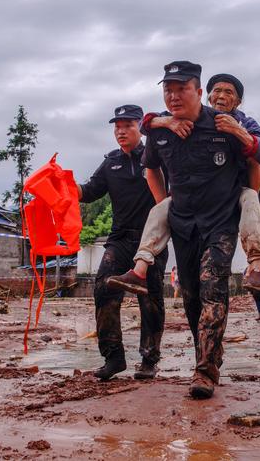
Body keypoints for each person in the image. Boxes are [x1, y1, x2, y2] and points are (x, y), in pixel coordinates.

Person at [139, 60, 254, 399]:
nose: (173, 96)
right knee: (190, 297)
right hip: (184, 226)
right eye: (167, 90)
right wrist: (166, 204)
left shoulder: (224, 125)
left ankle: (205, 371)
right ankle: (208, 352)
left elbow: (258, 157)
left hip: (220, 223)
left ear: (198, 92)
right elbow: (152, 170)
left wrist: (251, 200)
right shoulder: (160, 130)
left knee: (213, 290)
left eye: (181, 89)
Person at [106, 73, 260, 296]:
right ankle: (139, 269)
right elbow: (147, 124)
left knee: (251, 195)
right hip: (193, 199)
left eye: (229, 92)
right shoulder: (193, 118)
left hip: (233, 193)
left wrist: (237, 130)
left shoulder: (243, 122)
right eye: (217, 90)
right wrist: (165, 121)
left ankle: (255, 264)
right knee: (162, 208)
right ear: (207, 95)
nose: (221, 96)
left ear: (238, 101)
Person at [76, 104, 168, 381]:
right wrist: (65, 186)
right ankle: (113, 358)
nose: (121, 131)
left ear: (140, 126)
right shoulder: (111, 162)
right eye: (117, 126)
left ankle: (149, 359)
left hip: (151, 239)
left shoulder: (155, 156)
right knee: (104, 289)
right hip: (119, 239)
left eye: (127, 125)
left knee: (151, 299)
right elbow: (90, 191)